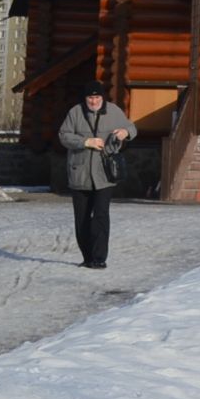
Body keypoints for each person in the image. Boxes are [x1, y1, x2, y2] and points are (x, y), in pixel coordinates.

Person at [57, 80, 136, 269]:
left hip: (104, 175)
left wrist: (125, 132)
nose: (93, 101)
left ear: (102, 97)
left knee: (101, 216)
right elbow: (63, 135)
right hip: (80, 174)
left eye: (97, 97)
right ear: (85, 99)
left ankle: (99, 258)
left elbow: (133, 128)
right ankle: (87, 257)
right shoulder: (75, 112)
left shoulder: (114, 111)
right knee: (82, 218)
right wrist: (86, 142)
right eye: (90, 97)